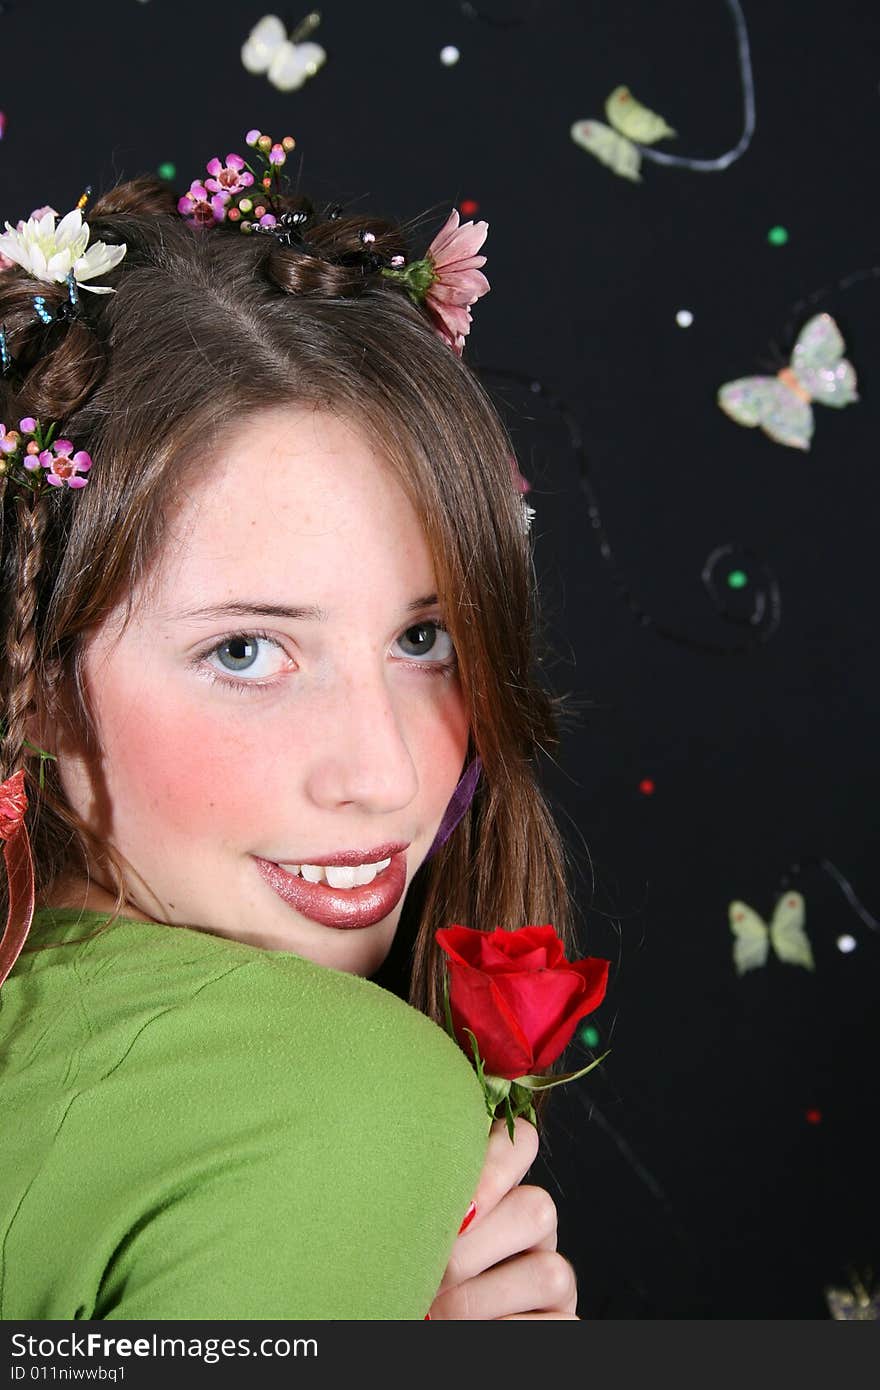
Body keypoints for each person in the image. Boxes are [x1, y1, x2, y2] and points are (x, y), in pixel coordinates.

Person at [0, 135, 581, 1320]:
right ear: (40, 677)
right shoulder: (344, 1092)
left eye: (424, 637)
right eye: (246, 651)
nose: (384, 773)